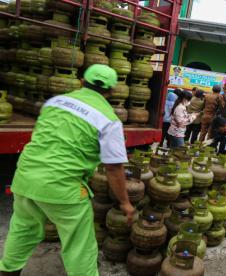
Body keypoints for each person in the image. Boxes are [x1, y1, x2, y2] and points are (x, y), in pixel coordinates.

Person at [0, 65, 136, 276]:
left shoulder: (54, 102)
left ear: (81, 81)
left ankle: (7, 272)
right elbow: (114, 167)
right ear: (111, 91)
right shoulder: (109, 120)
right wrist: (125, 202)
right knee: (79, 245)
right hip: (63, 188)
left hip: (25, 177)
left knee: (23, 230)